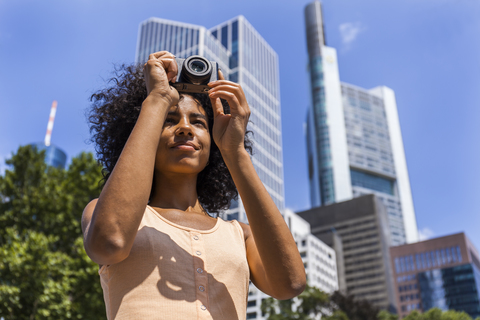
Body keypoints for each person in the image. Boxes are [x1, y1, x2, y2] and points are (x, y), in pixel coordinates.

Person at [82, 51, 306, 319]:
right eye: (169, 120)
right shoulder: (104, 212)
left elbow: (289, 283)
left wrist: (234, 151)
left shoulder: (240, 235)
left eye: (198, 122)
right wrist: (158, 99)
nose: (185, 128)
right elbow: (110, 242)